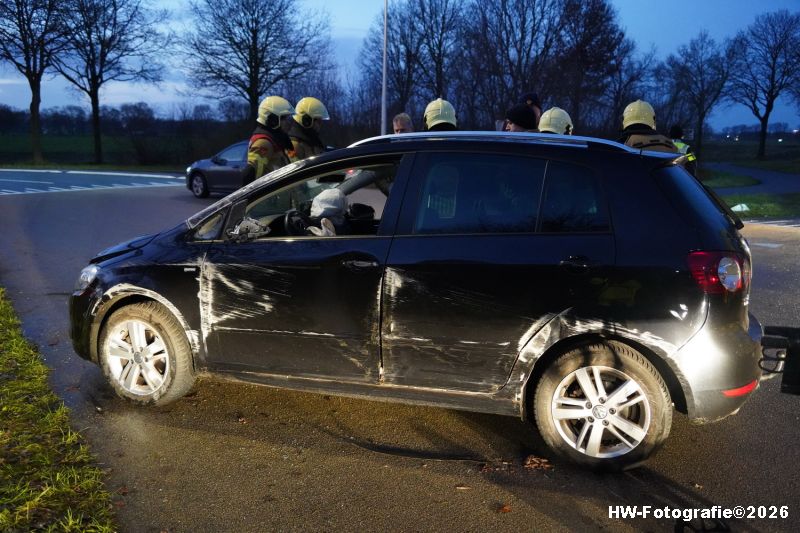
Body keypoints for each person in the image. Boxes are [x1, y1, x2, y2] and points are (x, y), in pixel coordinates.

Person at [242, 96, 296, 186]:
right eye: (283, 118)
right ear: (272, 120)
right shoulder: (263, 143)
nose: (287, 122)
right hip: (274, 198)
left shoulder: (280, 139)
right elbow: (251, 178)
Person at [289, 97, 330, 162]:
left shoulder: (313, 141)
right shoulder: (294, 145)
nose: (320, 125)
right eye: (318, 121)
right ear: (306, 121)